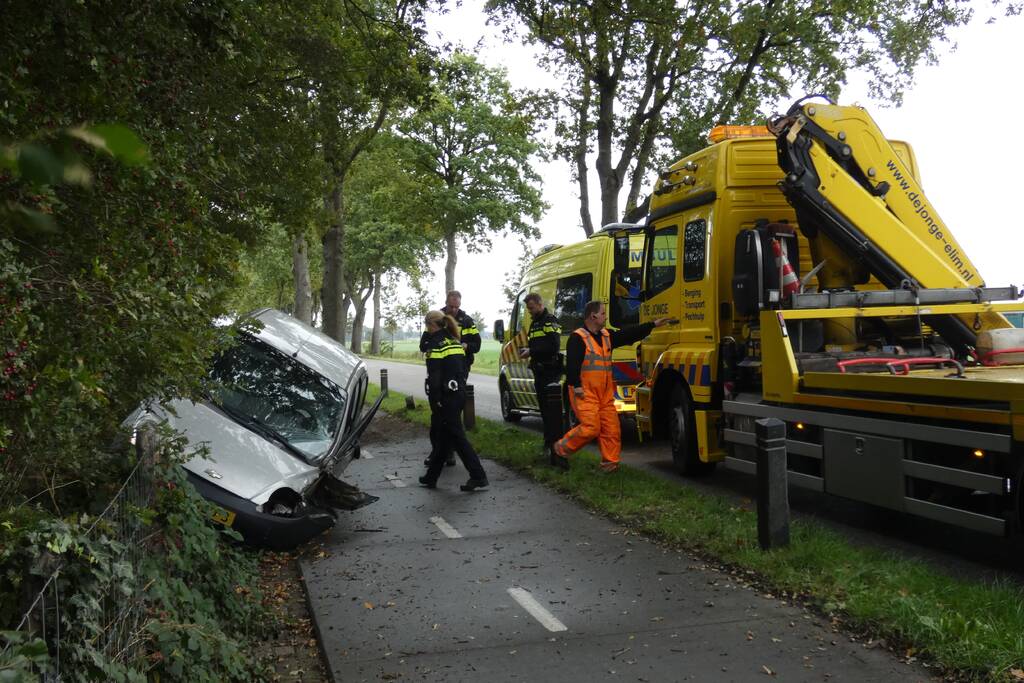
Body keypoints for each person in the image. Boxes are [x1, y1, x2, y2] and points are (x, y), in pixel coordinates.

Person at [552, 301, 673, 472]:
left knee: (611, 430)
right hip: (584, 393)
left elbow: (628, 334)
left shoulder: (606, 335)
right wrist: (576, 385)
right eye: (603, 313)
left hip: (604, 394)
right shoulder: (577, 338)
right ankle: (560, 450)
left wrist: (652, 325)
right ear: (593, 316)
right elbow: (572, 365)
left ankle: (610, 466)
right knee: (590, 429)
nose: (605, 316)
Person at [418, 310, 489, 491]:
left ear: (431, 325)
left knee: (457, 438)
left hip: (445, 398)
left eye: (427, 326)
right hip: (458, 394)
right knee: (444, 436)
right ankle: (431, 476)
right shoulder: (455, 342)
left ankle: (478, 475)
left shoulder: (436, 345)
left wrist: (435, 401)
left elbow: (435, 377)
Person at [422, 290, 481, 468]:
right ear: (446, 303)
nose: (454, 310)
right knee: (445, 420)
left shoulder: (467, 321)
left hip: (458, 371)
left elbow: (476, 345)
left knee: (448, 420)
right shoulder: (437, 318)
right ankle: (440, 458)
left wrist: (465, 346)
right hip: (447, 371)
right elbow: (423, 344)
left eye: (457, 307)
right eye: (451, 306)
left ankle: (466, 467)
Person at [516, 293, 563, 455]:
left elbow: (554, 346)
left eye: (531, 308)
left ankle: (555, 446)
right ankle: (548, 443)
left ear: (539, 304)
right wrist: (528, 351)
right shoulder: (535, 323)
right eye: (528, 309)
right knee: (543, 410)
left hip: (550, 371)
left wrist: (531, 351)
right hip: (539, 371)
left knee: (551, 411)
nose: (529, 311)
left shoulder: (550, 320)